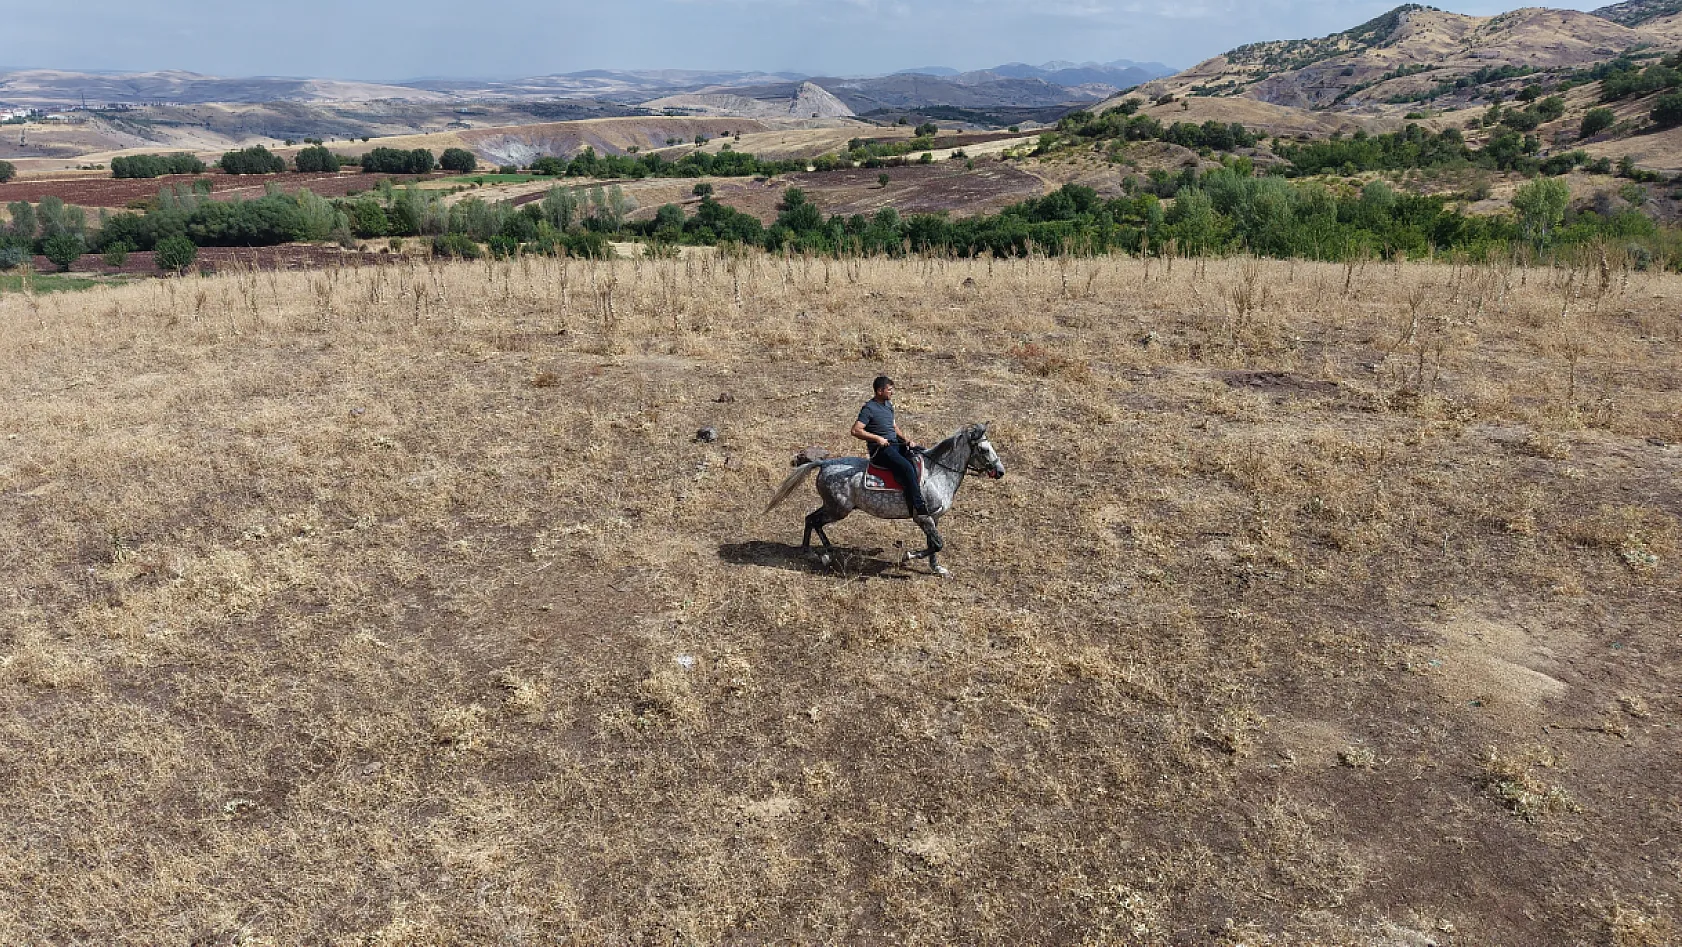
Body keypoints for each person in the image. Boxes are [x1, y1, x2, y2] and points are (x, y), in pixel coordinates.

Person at [851, 375, 929, 517]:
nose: (892, 392)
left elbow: (893, 426)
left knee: (921, 455)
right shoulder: (869, 408)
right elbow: (856, 430)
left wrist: (906, 440)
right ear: (880, 391)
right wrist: (877, 438)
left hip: (895, 444)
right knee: (906, 467)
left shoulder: (889, 406)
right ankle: (919, 506)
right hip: (881, 450)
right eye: (889, 390)